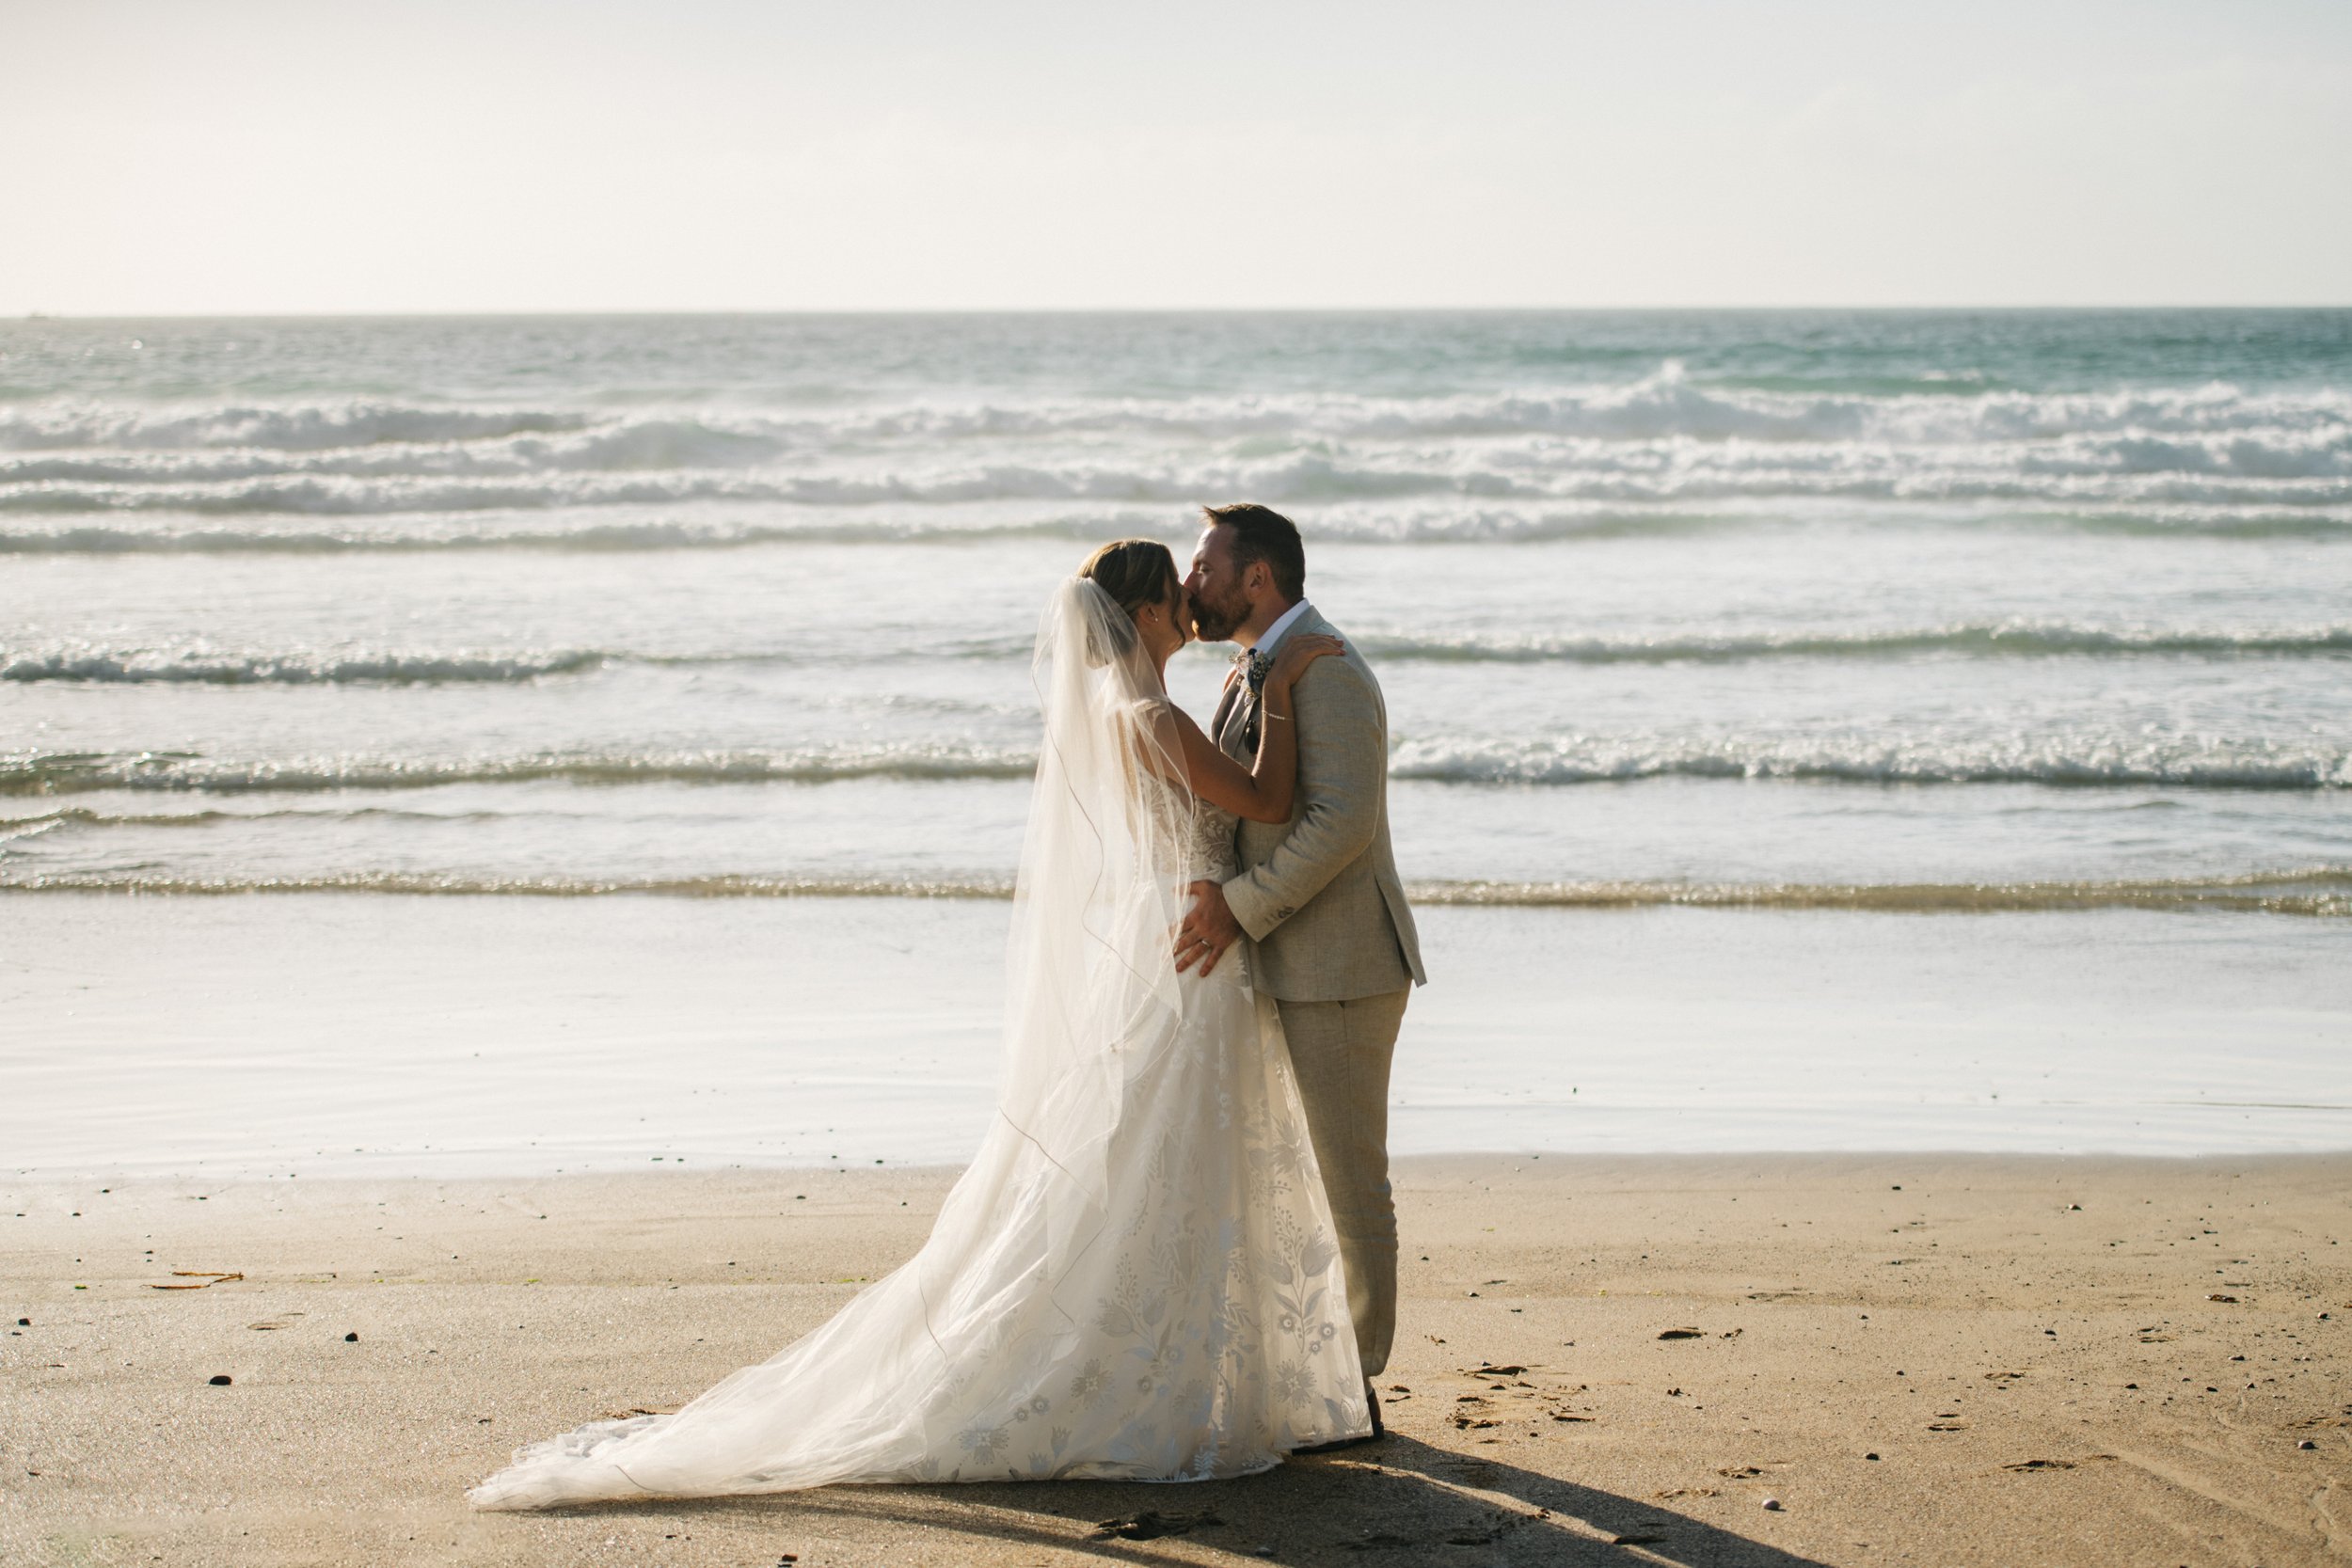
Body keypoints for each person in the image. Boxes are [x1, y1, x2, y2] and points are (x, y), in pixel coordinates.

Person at [469, 537, 1363, 1508]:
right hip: (1185, 956)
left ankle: (1177, 1369)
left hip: (1167, 936)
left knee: (1158, 1168)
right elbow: (1270, 798)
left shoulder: (1122, 706)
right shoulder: (1146, 711)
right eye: (1174, 592)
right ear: (1144, 613)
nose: (1191, 600)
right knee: (1169, 1166)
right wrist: (1284, 680)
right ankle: (1158, 1377)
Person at [1173, 502, 1427, 1407]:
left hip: (1344, 966)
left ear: (1257, 577)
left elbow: (1340, 826)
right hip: (1274, 955)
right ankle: (1309, 1363)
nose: (1189, 580)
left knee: (1349, 1177)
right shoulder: (1255, 666)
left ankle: (1358, 1384)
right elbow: (1229, 792)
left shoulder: (1329, 670)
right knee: (1287, 1170)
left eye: (1205, 564)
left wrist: (1238, 907)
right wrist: (1207, 881)